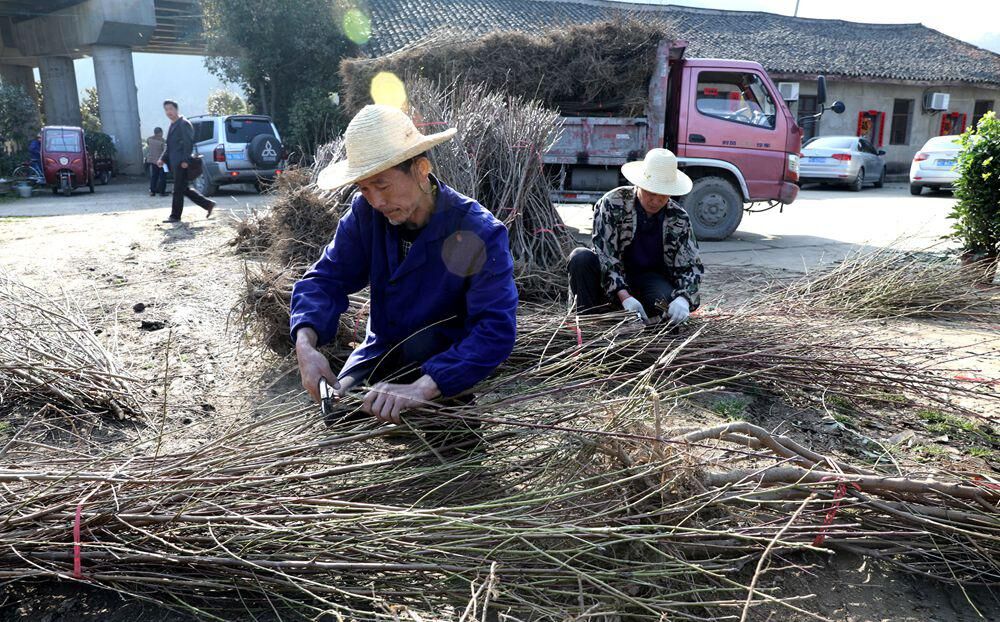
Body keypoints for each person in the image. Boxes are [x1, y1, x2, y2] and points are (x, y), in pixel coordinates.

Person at [290, 104, 518, 427]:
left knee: (453, 459)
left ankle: (449, 427)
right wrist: (305, 345)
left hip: (443, 365)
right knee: (338, 413)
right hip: (381, 349)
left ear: (421, 170)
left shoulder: (480, 231)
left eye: (382, 185)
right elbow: (325, 279)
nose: (376, 201)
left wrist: (421, 388)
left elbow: (495, 330)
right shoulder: (366, 215)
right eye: (364, 189)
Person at [568, 148, 704, 325]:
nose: (655, 201)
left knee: (667, 305)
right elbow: (605, 256)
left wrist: (684, 299)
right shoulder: (612, 204)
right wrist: (625, 297)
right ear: (639, 184)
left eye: (663, 195)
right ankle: (587, 324)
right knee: (581, 258)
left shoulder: (679, 218)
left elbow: (692, 267)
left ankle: (648, 322)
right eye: (651, 193)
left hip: (649, 280)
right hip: (610, 280)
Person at [157, 100, 214, 223]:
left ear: (176, 109)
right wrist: (162, 158)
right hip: (174, 163)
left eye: (170, 109)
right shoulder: (172, 125)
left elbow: (188, 144)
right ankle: (208, 204)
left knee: (178, 189)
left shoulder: (184, 124)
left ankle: (175, 216)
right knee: (183, 189)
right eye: (166, 109)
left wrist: (185, 160)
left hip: (181, 163)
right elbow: (169, 146)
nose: (168, 112)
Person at [146, 127, 167, 197]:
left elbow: (148, 144)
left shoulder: (149, 139)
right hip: (161, 161)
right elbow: (165, 150)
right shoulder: (162, 141)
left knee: (154, 176)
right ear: (160, 132)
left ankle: (152, 191)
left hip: (152, 160)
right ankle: (162, 192)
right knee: (162, 176)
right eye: (162, 133)